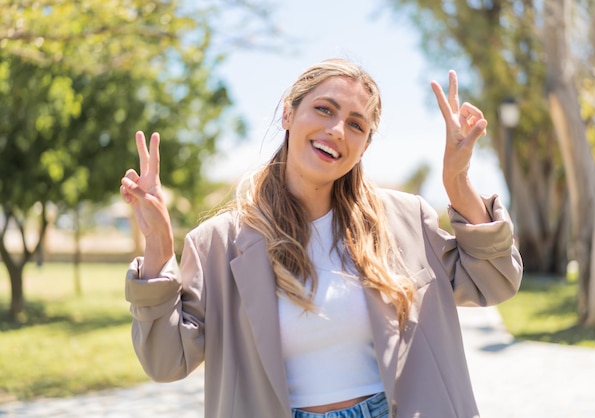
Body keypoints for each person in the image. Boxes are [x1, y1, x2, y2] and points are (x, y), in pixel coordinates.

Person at [120, 58, 523, 418]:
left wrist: (457, 181)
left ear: (364, 146)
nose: (336, 130)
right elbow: (165, 361)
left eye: (355, 124)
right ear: (288, 114)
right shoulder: (217, 243)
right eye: (324, 109)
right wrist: (158, 246)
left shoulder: (405, 219)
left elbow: (494, 279)